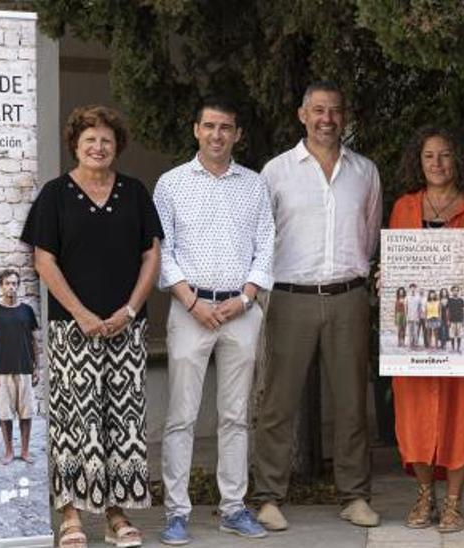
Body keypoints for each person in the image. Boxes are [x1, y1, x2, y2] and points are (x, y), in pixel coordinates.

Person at [21, 104, 162, 548]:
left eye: (105, 140)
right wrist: (81, 313)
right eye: (89, 140)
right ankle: (71, 515)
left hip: (125, 328)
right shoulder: (55, 195)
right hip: (71, 329)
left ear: (116, 145)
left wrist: (131, 310)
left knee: (122, 420)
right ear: (75, 146)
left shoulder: (135, 193)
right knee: (74, 421)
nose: (98, 147)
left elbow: (151, 255)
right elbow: (43, 260)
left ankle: (117, 515)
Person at [252, 81, 382, 531]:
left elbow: (369, 234)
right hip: (290, 297)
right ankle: (268, 496)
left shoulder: (365, 171)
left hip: (349, 297)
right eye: (318, 110)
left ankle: (354, 495)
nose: (327, 118)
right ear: (302, 115)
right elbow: (261, 236)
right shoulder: (275, 171)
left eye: (335, 110)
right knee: (278, 404)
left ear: (344, 117)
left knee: (351, 402)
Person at [155, 97, 275, 544]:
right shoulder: (170, 184)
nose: (217, 135)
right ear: (196, 130)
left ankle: (232, 507)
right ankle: (176, 512)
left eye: (226, 127)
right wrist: (191, 301)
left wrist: (245, 298)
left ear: (237, 134)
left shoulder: (255, 184)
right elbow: (161, 250)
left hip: (240, 312)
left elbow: (267, 245)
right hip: (190, 311)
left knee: (235, 416)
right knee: (181, 416)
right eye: (210, 127)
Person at [386, 125, 464, 533]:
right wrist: (385, 277)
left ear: (459, 161)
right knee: (414, 411)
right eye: (429, 156)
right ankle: (424, 495)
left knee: (458, 411)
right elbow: (395, 263)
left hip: (463, 326)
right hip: (412, 329)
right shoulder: (403, 207)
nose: (437, 164)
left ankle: (454, 502)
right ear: (418, 163)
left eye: (445, 155)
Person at [0, 269, 39, 465]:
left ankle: (25, 451)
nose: (11, 287)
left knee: (27, 413)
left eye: (15, 283)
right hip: (3, 370)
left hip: (25, 368)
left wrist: (36, 368)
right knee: (5, 414)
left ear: (18, 285)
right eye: (7, 283)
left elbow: (34, 341)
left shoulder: (26, 310)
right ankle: (8, 451)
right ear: (1, 285)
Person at [446, 286, 464, 353]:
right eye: (454, 290)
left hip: (459, 320)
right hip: (452, 320)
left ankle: (458, 348)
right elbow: (448, 311)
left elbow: (463, 311)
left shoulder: (461, 300)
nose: (456, 292)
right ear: (452, 291)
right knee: (452, 335)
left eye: (457, 290)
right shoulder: (449, 300)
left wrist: (463, 320)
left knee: (459, 335)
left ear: (458, 291)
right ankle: (452, 348)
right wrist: (448, 320)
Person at [405, 283, 424, 350]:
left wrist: (419, 317)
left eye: (414, 288)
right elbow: (406, 308)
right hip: (409, 317)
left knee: (416, 332)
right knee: (410, 332)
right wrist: (406, 316)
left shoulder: (418, 298)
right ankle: (410, 344)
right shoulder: (407, 297)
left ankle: (415, 344)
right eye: (411, 288)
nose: (413, 289)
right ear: (410, 289)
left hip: (416, 317)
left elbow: (419, 308)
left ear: (415, 289)